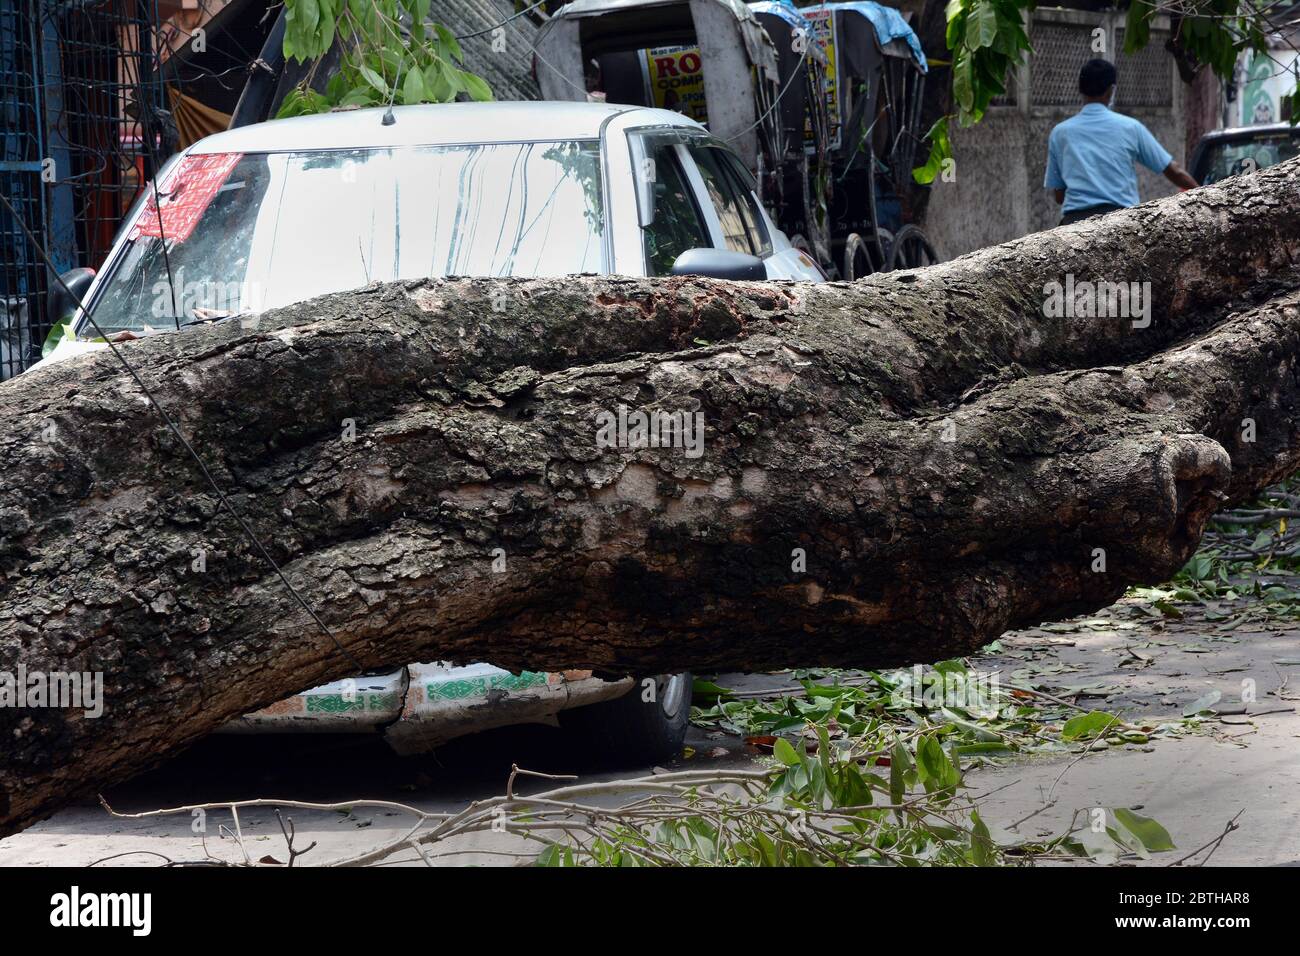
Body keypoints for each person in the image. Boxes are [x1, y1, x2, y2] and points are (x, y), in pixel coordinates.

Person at [1045, 58, 1198, 225]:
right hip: (1121, 224)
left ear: (1080, 90)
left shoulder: (1060, 133)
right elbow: (1173, 171)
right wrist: (1204, 196)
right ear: (1111, 91)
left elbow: (1059, 195)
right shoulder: (1130, 128)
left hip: (1073, 225)